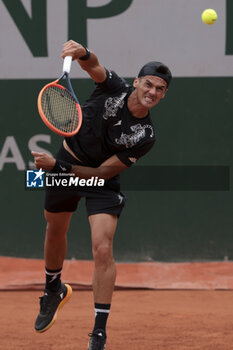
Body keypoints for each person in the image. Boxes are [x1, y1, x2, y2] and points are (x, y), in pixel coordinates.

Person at [32, 40, 172, 350]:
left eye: (160, 89)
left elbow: (102, 174)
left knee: (103, 249)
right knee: (55, 228)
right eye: (148, 84)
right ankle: (53, 289)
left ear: (163, 95)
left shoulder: (144, 136)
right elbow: (92, 65)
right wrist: (81, 52)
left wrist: (57, 166)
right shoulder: (114, 88)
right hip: (67, 161)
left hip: (98, 180)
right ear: (136, 82)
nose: (152, 92)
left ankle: (98, 333)